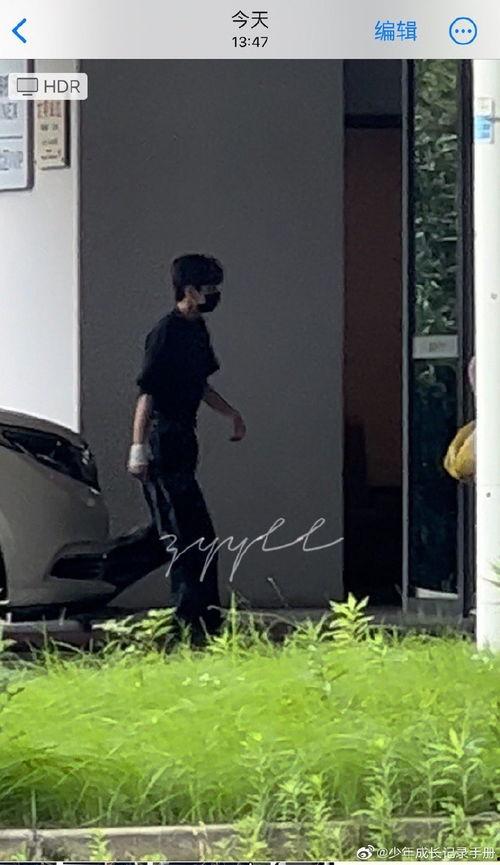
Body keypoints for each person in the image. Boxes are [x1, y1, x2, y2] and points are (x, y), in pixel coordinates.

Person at [127, 254, 246, 642]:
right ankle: (190, 624)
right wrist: (138, 447)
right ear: (189, 291)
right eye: (208, 288)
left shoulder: (198, 331)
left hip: (184, 439)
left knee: (185, 534)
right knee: (185, 537)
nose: (214, 295)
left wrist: (230, 414)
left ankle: (204, 619)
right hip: (163, 439)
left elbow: (201, 386)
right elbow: (148, 392)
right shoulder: (165, 333)